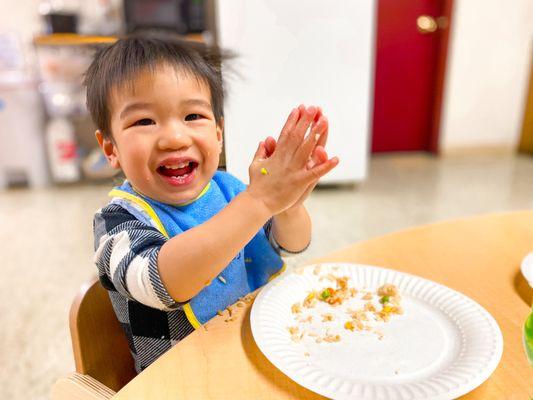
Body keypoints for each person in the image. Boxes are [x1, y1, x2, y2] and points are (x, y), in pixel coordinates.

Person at [85, 33, 338, 372]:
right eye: (144, 121)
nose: (175, 138)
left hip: (258, 352)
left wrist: (288, 206)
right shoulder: (117, 223)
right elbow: (162, 283)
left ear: (218, 134)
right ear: (110, 148)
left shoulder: (228, 190)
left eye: (193, 117)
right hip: (182, 381)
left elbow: (291, 245)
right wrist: (260, 200)